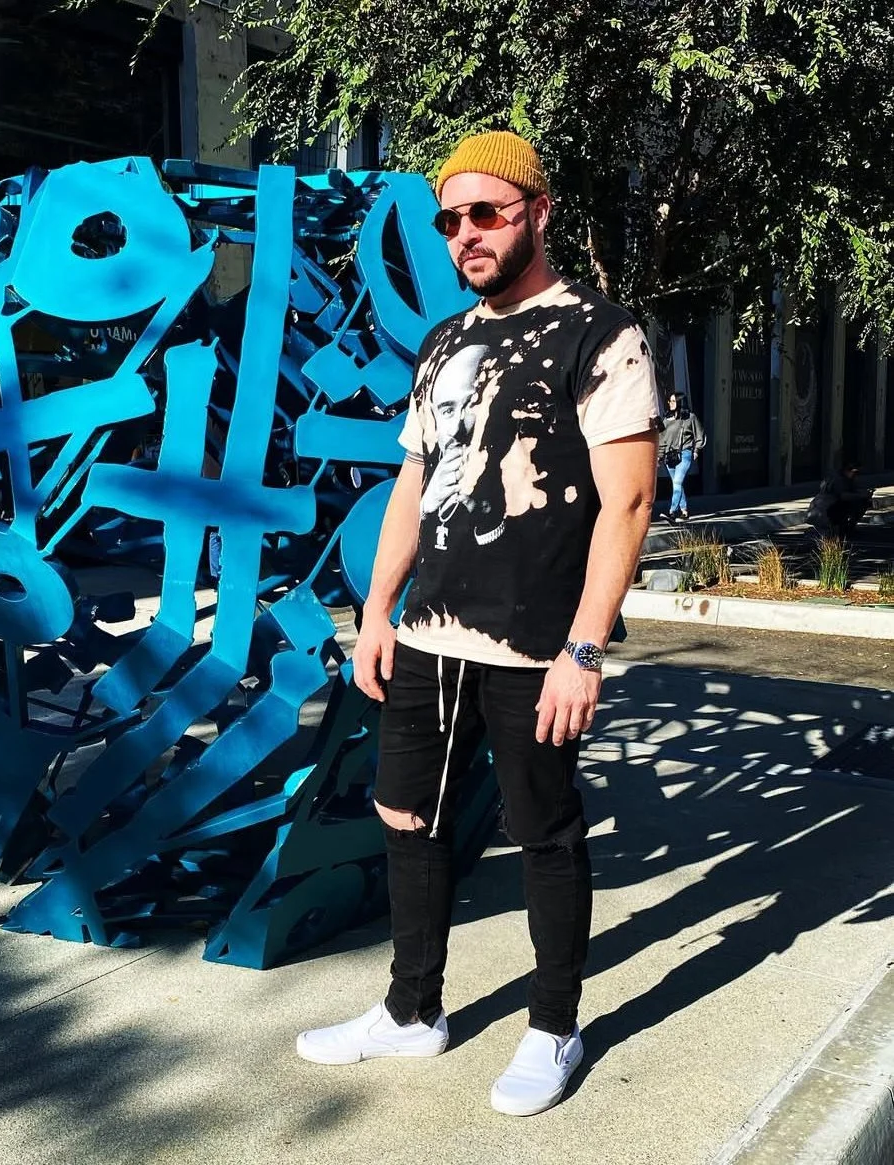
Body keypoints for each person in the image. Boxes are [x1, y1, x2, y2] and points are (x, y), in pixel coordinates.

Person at [295, 131, 660, 1116]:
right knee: (404, 818)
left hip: (537, 644)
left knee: (543, 831)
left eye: (486, 212)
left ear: (539, 211)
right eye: (449, 219)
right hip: (429, 635)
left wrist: (585, 648)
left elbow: (627, 505)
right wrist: (376, 611)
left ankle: (554, 1028)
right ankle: (412, 1013)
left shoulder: (601, 332)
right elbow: (414, 480)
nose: (466, 234)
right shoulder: (446, 341)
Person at [657, 391, 705, 523]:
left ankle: (672, 512)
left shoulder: (690, 418)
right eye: (669, 401)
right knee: (677, 484)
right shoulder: (666, 420)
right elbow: (662, 440)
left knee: (677, 482)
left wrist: (696, 450)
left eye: (673, 401)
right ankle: (684, 511)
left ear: (679, 402)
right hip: (669, 456)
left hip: (685, 453)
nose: (670, 404)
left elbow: (700, 435)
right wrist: (659, 456)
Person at [806, 460, 873, 540]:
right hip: (824, 512)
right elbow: (843, 496)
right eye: (856, 473)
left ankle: (844, 529)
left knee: (862, 502)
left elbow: (852, 491)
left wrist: (863, 494)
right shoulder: (838, 479)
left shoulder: (847, 479)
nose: (856, 476)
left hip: (831, 510)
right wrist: (861, 495)